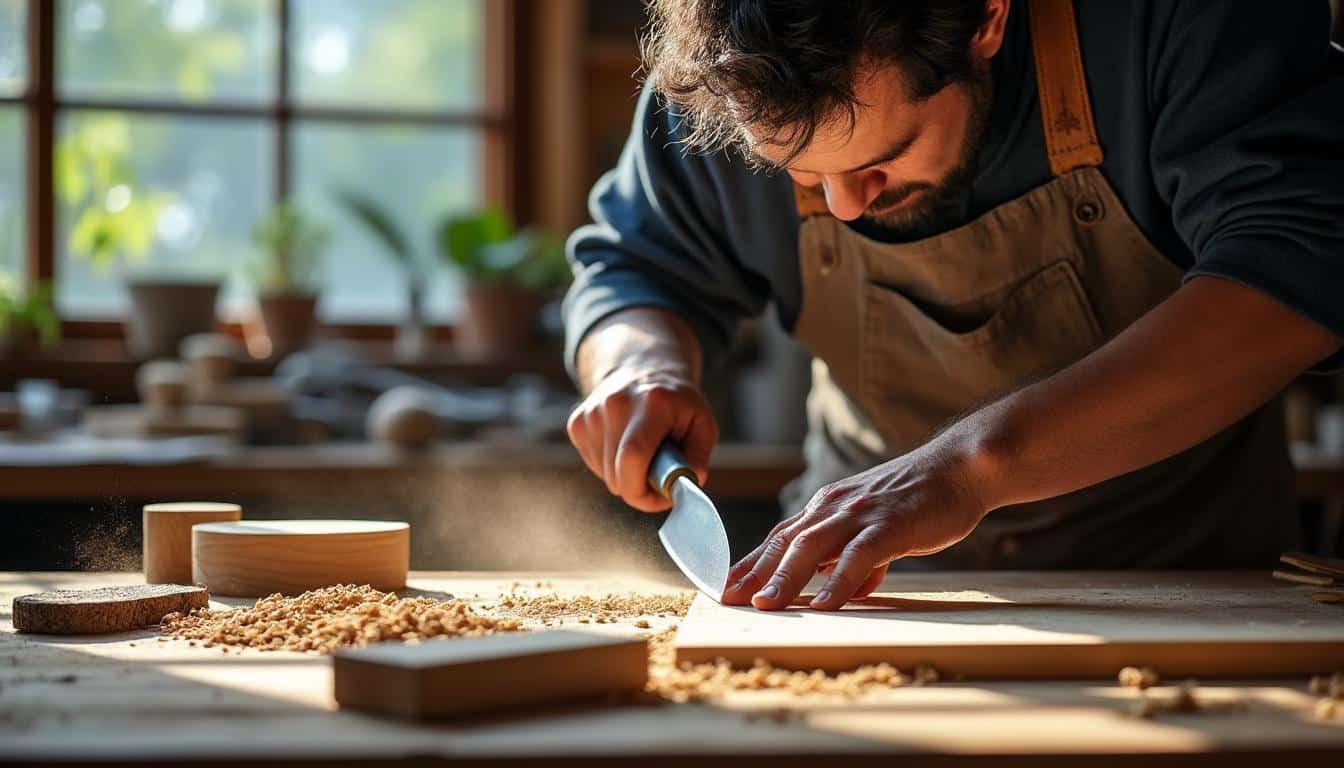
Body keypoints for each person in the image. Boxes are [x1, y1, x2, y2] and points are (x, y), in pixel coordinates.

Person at [562, 0, 1344, 611]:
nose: (842, 205)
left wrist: (972, 468)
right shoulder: (726, 71)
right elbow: (636, 266)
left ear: (986, 19)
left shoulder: (1175, 21)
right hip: (854, 605)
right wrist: (638, 361)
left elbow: (1301, 261)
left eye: (880, 162)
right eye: (798, 173)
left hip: (1188, 594)